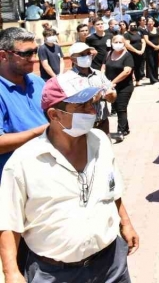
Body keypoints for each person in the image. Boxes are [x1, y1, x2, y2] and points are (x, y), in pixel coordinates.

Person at [0, 73, 140, 283]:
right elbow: (9, 222)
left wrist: (126, 223)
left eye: (91, 104)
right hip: (55, 273)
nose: (91, 112)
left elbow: (113, 188)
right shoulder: (24, 162)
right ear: (55, 115)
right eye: (81, 107)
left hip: (111, 263)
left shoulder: (100, 141)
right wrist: (11, 272)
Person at [0, 29, 47, 180]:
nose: (33, 58)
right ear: (3, 56)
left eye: (35, 51)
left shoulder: (37, 82)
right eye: (26, 53)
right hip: (14, 182)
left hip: (46, 174)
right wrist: (41, 131)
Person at [67, 42, 114, 137]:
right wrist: (95, 97)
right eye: (82, 54)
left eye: (88, 53)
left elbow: (111, 98)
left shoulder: (99, 74)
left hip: (102, 123)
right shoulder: (68, 78)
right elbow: (72, 104)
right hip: (83, 127)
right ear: (72, 59)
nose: (87, 56)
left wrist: (111, 95)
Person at [123, 21, 146, 86]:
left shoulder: (139, 33)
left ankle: (138, 81)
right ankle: (130, 82)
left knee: (138, 67)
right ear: (129, 26)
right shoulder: (127, 34)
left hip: (140, 53)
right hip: (131, 54)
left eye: (134, 25)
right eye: (132, 25)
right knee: (131, 68)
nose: (133, 27)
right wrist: (136, 51)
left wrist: (142, 50)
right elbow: (127, 45)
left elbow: (143, 41)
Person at [143, 17, 159, 84]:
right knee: (151, 64)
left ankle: (156, 77)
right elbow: (147, 40)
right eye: (149, 21)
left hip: (157, 49)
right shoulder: (146, 30)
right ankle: (152, 79)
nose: (150, 23)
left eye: (151, 21)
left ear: (153, 22)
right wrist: (154, 46)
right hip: (149, 49)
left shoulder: (157, 29)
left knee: (156, 63)